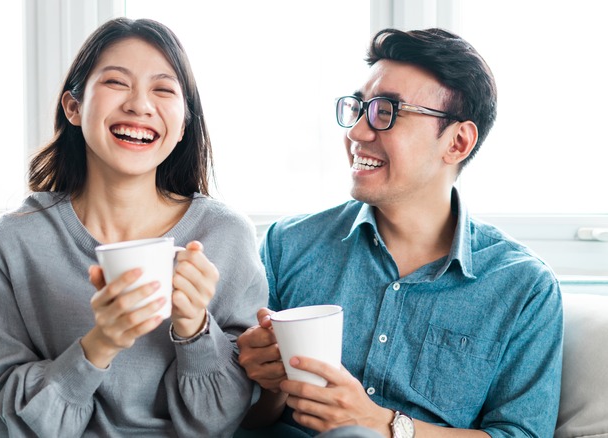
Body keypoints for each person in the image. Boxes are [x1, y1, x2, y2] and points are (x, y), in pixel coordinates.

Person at [237, 28, 563, 438]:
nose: (356, 132)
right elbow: (239, 418)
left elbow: (521, 435)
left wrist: (384, 425)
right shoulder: (288, 244)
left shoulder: (523, 286)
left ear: (457, 142)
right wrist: (265, 385)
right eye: (359, 108)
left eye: (386, 112)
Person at [0, 17, 267, 437]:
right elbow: (2, 422)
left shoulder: (225, 235)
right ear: (74, 107)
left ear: (183, 124)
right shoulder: (8, 244)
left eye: (163, 90)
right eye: (116, 83)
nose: (140, 105)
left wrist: (195, 326)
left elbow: (225, 423)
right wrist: (100, 344)